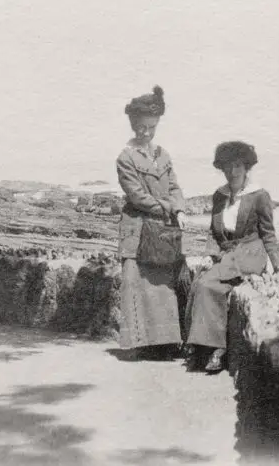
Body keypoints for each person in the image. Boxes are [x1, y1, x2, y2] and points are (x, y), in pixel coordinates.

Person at [186, 141, 279, 373]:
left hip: (250, 252)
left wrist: (278, 264)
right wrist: (208, 254)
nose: (232, 172)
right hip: (227, 254)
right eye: (227, 167)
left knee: (207, 284)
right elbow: (213, 232)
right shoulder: (219, 196)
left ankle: (215, 349)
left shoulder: (259, 196)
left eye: (237, 166)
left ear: (246, 168)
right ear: (221, 169)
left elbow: (268, 233)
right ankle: (205, 347)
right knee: (200, 282)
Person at [115, 85, 189, 360]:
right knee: (139, 286)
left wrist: (180, 210)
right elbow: (137, 196)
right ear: (133, 125)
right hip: (137, 228)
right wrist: (169, 207)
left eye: (151, 127)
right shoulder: (125, 158)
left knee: (164, 287)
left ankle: (168, 343)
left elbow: (175, 186)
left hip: (163, 228)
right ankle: (143, 344)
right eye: (141, 127)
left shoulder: (163, 155)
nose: (146, 132)